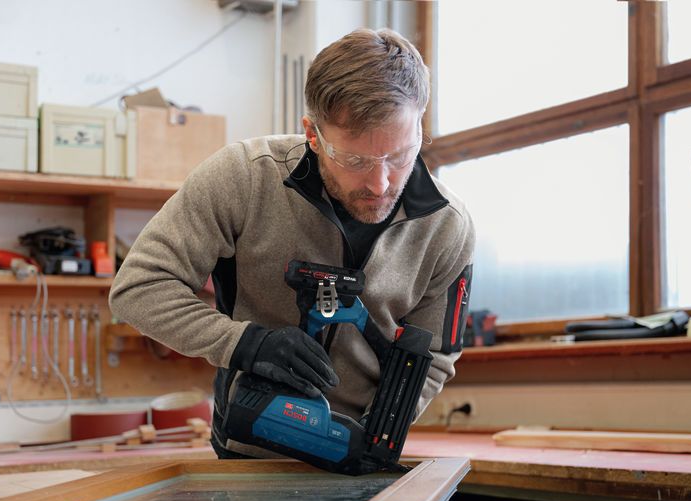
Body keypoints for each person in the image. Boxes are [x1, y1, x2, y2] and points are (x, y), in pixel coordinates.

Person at [109, 28, 475, 459]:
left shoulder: (448, 227)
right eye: (354, 160)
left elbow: (433, 354)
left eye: (399, 156)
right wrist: (245, 343)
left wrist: (377, 433)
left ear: (419, 127)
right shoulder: (244, 177)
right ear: (313, 134)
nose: (379, 184)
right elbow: (138, 288)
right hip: (251, 448)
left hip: (362, 451)